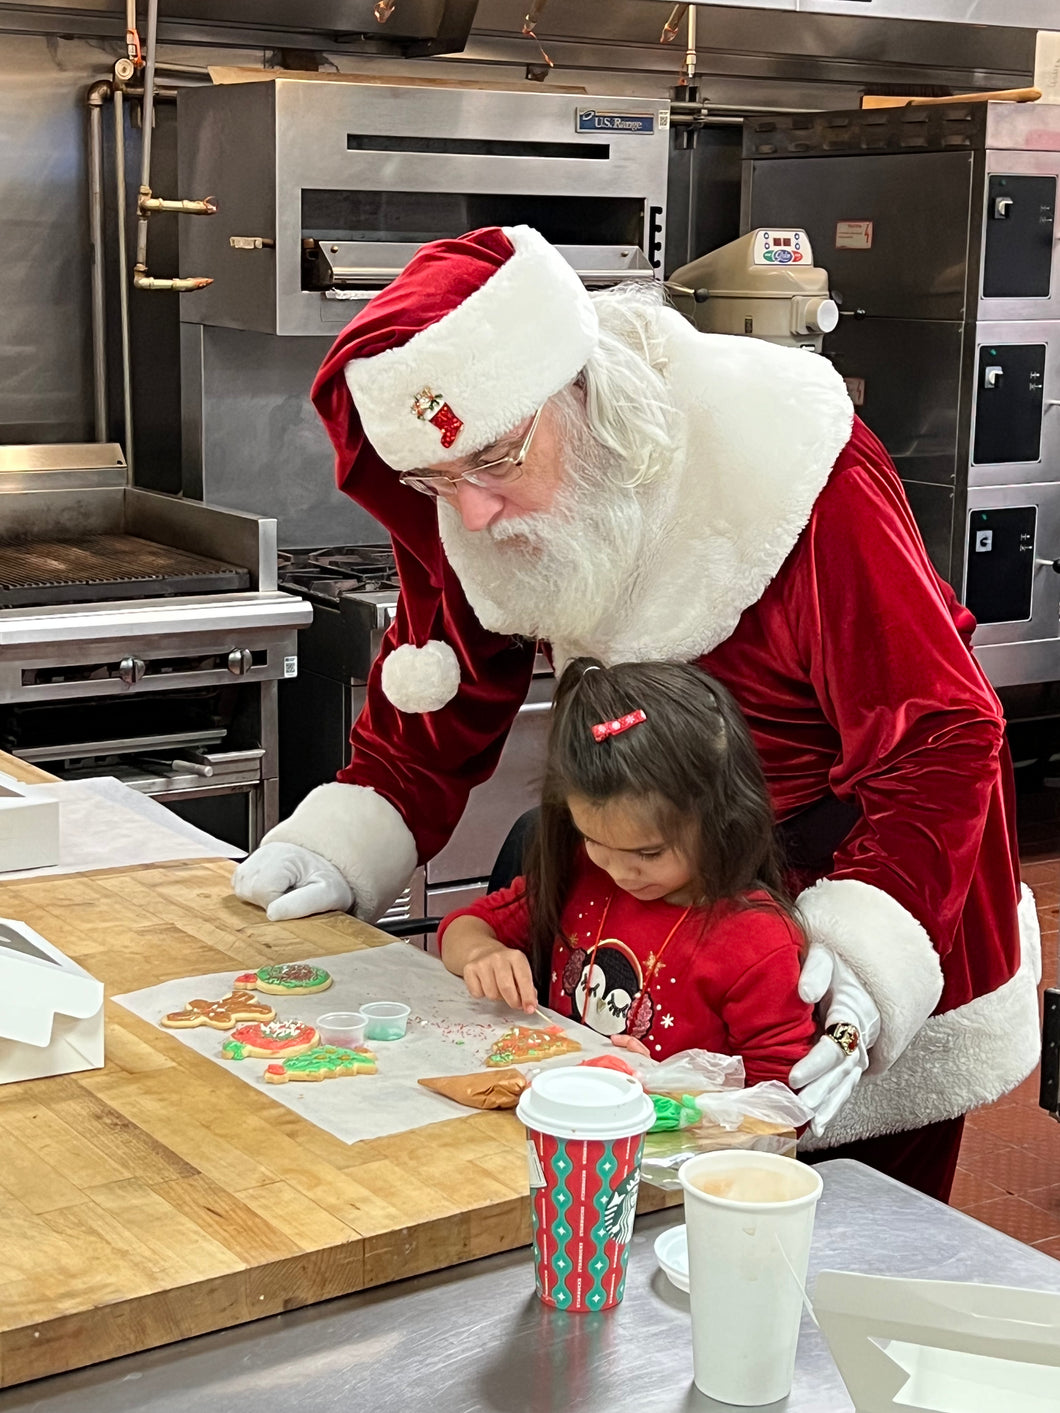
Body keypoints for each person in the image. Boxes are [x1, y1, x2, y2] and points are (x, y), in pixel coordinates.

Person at [233, 224, 1042, 1200]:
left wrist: (863, 970)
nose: (471, 512)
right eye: (434, 483)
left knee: (837, 1249)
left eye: (492, 461)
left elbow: (940, 740)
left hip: (867, 885)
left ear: (577, 390)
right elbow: (442, 685)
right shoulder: (476, 488)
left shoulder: (783, 464)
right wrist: (342, 842)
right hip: (651, 914)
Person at [440, 657, 817, 1089]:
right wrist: (481, 955)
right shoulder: (582, 875)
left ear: (723, 819)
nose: (620, 871)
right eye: (595, 841)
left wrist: (670, 1089)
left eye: (648, 852)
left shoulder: (757, 943)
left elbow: (781, 1107)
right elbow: (464, 927)